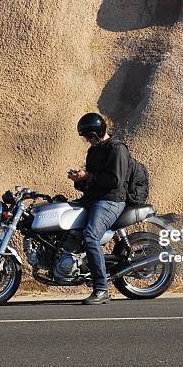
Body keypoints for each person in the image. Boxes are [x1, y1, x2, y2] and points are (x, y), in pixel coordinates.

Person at [68, 113, 129, 305]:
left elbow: (115, 180)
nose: (87, 139)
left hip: (111, 201)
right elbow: (92, 181)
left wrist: (87, 176)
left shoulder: (117, 149)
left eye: (88, 136)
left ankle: (102, 289)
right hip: (93, 199)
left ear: (98, 132)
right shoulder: (92, 151)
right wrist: (79, 180)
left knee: (91, 236)